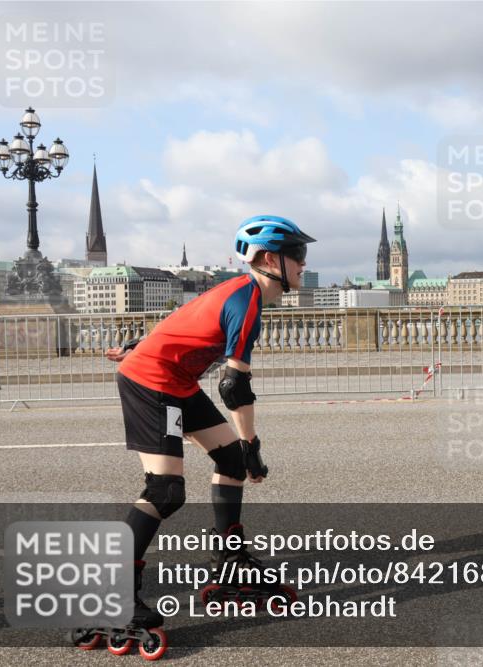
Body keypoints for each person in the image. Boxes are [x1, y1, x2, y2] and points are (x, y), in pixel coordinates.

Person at [104, 215, 314, 630]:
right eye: (298, 255)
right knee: (165, 490)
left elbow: (189, 317)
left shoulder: (241, 292)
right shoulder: (245, 298)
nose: (304, 264)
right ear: (271, 259)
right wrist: (251, 443)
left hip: (176, 380)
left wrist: (141, 341)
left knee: (231, 462)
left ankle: (230, 561)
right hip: (152, 382)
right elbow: (234, 387)